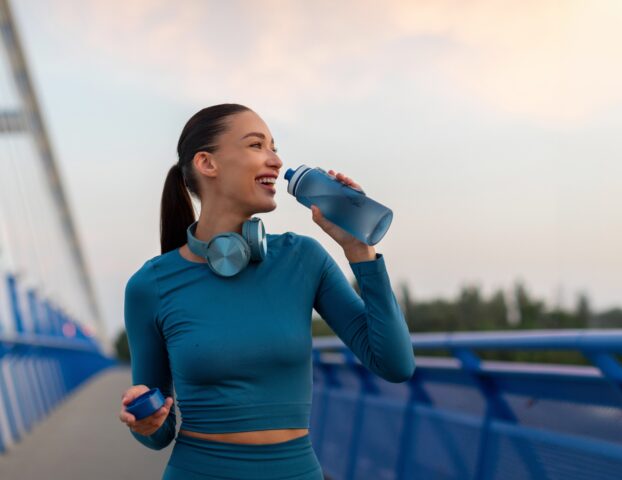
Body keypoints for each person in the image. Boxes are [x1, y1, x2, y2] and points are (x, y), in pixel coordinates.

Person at [117, 103, 416, 479]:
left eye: (274, 147)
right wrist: (146, 422)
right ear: (207, 163)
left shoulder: (303, 258)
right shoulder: (150, 285)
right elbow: (158, 433)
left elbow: (396, 365)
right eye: (256, 145)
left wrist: (360, 251)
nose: (275, 161)